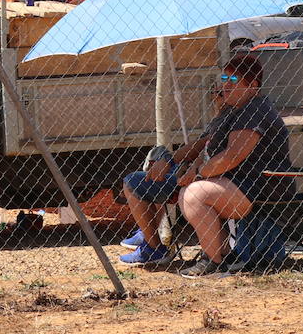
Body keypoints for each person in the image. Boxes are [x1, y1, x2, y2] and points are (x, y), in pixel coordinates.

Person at [117, 53, 293, 277]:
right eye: (223, 79)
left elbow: (232, 156)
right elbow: (204, 146)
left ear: (253, 85)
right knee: (140, 182)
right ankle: (157, 246)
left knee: (194, 194)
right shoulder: (232, 110)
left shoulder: (254, 110)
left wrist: (197, 173)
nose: (224, 86)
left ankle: (215, 261)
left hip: (258, 186)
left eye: (232, 81)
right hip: (230, 182)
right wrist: (171, 162)